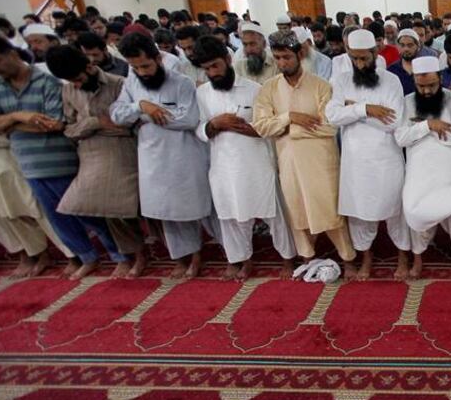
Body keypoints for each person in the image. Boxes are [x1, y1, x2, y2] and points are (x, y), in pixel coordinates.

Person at [0, 37, 126, 279]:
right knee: (57, 217)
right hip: (28, 164)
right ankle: (86, 256)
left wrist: (6, 124)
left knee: (87, 211)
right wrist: (21, 116)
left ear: (12, 55)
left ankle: (119, 254)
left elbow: (56, 124)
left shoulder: (47, 82)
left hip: (62, 160)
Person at [110, 31, 219, 280]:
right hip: (151, 158)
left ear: (158, 58)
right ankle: (182, 257)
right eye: (135, 67)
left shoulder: (182, 83)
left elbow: (188, 118)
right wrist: (140, 106)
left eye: (146, 65)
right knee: (166, 211)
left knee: (193, 207)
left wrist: (145, 116)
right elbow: (117, 114)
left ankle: (198, 256)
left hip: (184, 155)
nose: (142, 72)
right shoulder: (132, 84)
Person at [252, 30, 357, 277]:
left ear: (300, 54)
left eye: (286, 57)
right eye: (277, 58)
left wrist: (289, 130)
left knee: (329, 209)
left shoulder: (321, 86)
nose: (282, 63)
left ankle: (348, 258)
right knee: (297, 210)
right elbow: (260, 126)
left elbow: (329, 126)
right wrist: (291, 117)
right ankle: (308, 258)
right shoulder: (268, 89)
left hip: (321, 161)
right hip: (288, 161)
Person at [192, 36, 296, 281]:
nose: (212, 72)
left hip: (257, 163)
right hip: (223, 166)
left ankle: (287, 259)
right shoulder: (202, 94)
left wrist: (248, 129)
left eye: (215, 66)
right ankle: (241, 260)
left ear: (228, 60)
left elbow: (271, 125)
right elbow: (197, 129)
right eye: (206, 69)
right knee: (231, 216)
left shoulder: (255, 90)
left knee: (274, 215)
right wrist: (214, 124)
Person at [45, 44, 147, 279]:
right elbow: (68, 128)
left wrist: (99, 125)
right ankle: (124, 253)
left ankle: (138, 255)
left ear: (90, 66)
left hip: (121, 152)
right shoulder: (69, 90)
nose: (77, 85)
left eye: (79, 78)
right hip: (89, 155)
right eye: (73, 81)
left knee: (119, 210)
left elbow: (128, 123)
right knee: (78, 206)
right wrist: (96, 123)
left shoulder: (118, 84)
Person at [327, 28, 412, 280]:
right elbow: (332, 117)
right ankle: (366, 256)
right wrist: (368, 109)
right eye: (354, 58)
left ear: (376, 53)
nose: (360, 63)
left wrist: (353, 111)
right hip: (355, 160)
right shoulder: (341, 81)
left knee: (395, 209)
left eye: (364, 58)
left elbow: (393, 122)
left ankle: (402, 257)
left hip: (386, 157)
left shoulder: (391, 81)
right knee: (359, 211)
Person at [395, 56, 451, 279]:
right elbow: (401, 137)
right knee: (414, 210)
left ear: (441, 79)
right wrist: (429, 125)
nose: (427, 91)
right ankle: (418, 259)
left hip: (448, 169)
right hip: (418, 171)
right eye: (421, 86)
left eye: (432, 85)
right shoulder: (407, 102)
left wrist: (423, 132)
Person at [387, 28, 422, 95]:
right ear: (398, 46)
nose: (406, 49)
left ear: (418, 46)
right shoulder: (391, 70)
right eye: (402, 45)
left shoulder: (425, 68)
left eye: (410, 45)